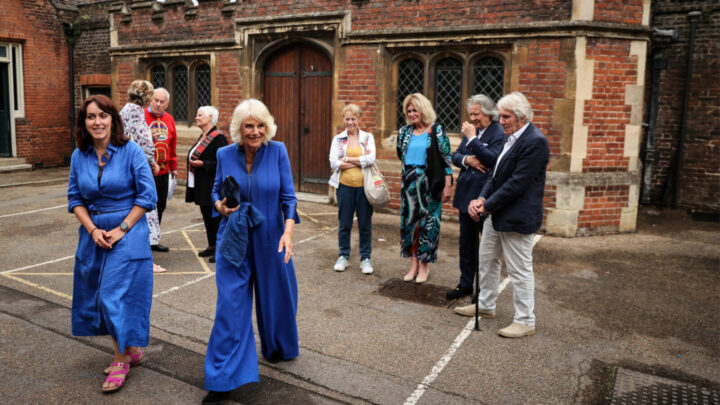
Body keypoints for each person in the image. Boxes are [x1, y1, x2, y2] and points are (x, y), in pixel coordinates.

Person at [203, 99, 300, 404]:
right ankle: (222, 379)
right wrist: (219, 205)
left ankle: (277, 346)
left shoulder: (278, 151)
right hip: (234, 238)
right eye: (249, 126)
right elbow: (216, 190)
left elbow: (289, 197)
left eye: (260, 125)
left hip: (272, 234)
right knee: (230, 306)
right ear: (238, 128)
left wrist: (288, 233)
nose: (255, 131)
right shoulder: (224, 153)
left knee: (277, 297)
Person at [67, 95, 157, 392]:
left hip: (128, 232)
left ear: (113, 120)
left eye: (103, 116)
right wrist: (93, 230)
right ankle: (131, 349)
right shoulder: (79, 155)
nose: (97, 122)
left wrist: (121, 229)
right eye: (91, 117)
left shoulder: (130, 151)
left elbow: (147, 197)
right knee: (98, 294)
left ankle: (120, 360)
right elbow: (75, 199)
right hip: (93, 234)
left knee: (112, 294)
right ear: (84, 123)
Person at [454, 92, 550, 339]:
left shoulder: (535, 141)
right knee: (486, 260)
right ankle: (485, 305)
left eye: (506, 116)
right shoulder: (511, 137)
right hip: (496, 214)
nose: (502, 120)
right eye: (502, 116)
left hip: (517, 217)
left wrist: (486, 206)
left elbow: (517, 184)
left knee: (519, 270)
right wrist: (481, 199)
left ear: (520, 117)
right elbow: (494, 176)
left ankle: (525, 320)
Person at [446, 95, 505, 300]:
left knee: (486, 248)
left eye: (476, 114)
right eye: (470, 114)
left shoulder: (499, 132)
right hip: (465, 194)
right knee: (466, 244)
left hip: (484, 197)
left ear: (489, 113)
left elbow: (493, 160)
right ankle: (465, 284)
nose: (473, 118)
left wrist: (472, 140)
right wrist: (468, 159)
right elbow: (455, 156)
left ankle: (483, 290)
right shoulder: (473, 130)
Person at [395, 93, 452, 284]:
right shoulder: (404, 132)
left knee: (429, 225)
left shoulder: (436, 130)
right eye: (409, 111)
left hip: (430, 183)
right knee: (410, 225)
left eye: (415, 110)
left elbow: (446, 161)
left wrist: (448, 185)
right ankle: (413, 265)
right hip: (409, 183)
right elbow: (400, 155)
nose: (412, 114)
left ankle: (424, 266)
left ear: (423, 109)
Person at [120, 80, 167, 273]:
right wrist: (152, 162)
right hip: (136, 170)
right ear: (147, 97)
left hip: (125, 167)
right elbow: (144, 142)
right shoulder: (136, 112)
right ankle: (146, 261)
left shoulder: (123, 111)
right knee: (144, 210)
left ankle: (131, 257)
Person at [328, 104, 376, 274]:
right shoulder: (338, 139)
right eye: (347, 119)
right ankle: (343, 256)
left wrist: (346, 159)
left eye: (353, 119)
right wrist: (358, 160)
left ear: (359, 119)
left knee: (365, 224)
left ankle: (365, 258)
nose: (350, 122)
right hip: (345, 188)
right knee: (345, 223)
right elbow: (333, 162)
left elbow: (371, 158)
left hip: (364, 189)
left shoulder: (368, 137)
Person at [186, 106, 228, 264]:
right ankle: (211, 245)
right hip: (202, 184)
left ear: (210, 117)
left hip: (212, 185)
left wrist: (203, 163)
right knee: (207, 216)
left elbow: (223, 162)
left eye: (200, 115)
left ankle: (220, 249)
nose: (196, 118)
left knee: (215, 218)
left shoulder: (218, 138)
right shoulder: (203, 136)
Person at [144, 87, 177, 252]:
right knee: (144, 207)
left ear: (167, 104)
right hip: (145, 173)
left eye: (161, 102)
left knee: (160, 206)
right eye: (155, 100)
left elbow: (172, 145)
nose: (157, 104)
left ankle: (154, 240)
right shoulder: (141, 116)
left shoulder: (170, 119)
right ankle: (143, 241)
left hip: (163, 172)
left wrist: (174, 167)